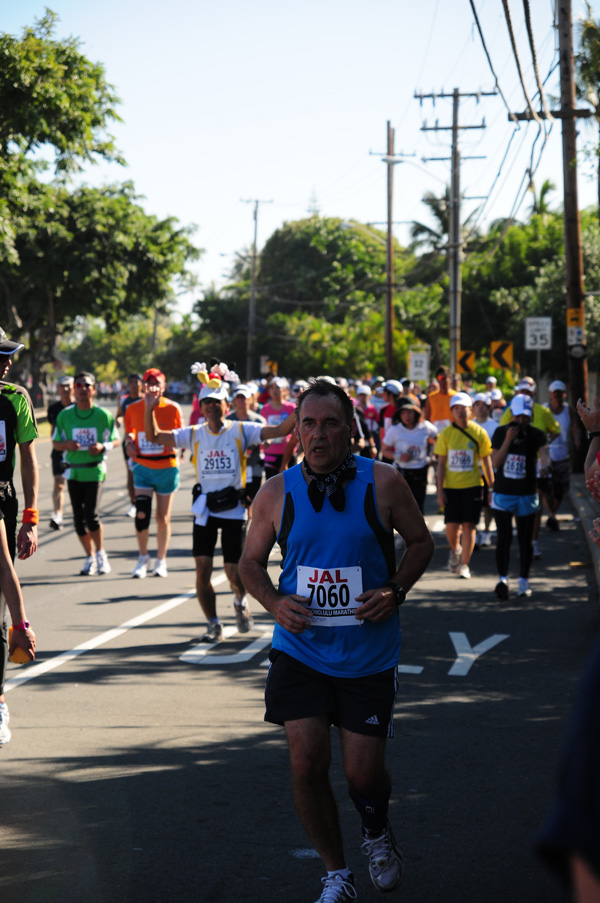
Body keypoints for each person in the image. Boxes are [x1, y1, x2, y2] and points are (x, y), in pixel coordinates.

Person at [238, 379, 433, 903]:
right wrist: (275, 603)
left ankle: (375, 826)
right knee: (306, 764)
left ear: (351, 429)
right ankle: (336, 874)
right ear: (296, 431)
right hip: (300, 649)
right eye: (308, 423)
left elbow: (421, 543)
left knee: (362, 775)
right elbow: (249, 563)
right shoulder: (276, 492)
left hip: (368, 653)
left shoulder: (384, 482)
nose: (318, 434)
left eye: (329, 424)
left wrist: (394, 590)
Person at [144, 372, 296, 643]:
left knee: (233, 573)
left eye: (217, 402)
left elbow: (281, 431)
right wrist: (149, 408)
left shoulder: (242, 429)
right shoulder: (193, 434)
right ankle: (213, 623)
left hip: (234, 510)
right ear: (201, 407)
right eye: (207, 402)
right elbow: (154, 436)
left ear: (227, 405)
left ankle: (239, 600)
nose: (212, 406)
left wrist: (301, 406)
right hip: (205, 510)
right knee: (202, 569)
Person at [0, 328, 39, 747]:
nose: (8, 362)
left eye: (8, 355)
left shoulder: (15, 398)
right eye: (0, 356)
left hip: (3, 501)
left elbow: (28, 458)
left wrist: (30, 517)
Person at [52, 372, 119, 576]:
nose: (82, 389)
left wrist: (102, 446)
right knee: (78, 521)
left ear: (94, 389)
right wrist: (67, 444)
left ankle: (101, 553)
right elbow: (56, 443)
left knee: (91, 516)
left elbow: (115, 440)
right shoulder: (65, 415)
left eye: (86, 385)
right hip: (74, 472)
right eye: (78, 385)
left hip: (94, 470)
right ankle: (90, 557)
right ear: (74, 389)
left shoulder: (102, 415)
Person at [124, 368, 183, 579]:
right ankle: (142, 558)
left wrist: (174, 445)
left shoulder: (173, 408)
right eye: (149, 383)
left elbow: (180, 436)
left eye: (156, 383)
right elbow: (129, 433)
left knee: (162, 517)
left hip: (166, 467)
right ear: (143, 386)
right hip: (143, 467)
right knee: (142, 514)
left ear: (163, 386)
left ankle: (161, 560)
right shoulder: (132, 408)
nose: (152, 387)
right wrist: (129, 443)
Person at [490, 395, 549, 600]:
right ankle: (503, 579)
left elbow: (545, 454)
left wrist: (546, 466)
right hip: (503, 493)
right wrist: (508, 440)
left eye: (525, 417)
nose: (521, 421)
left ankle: (524, 580)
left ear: (531, 416)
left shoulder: (536, 434)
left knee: (525, 540)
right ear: (511, 415)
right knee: (504, 538)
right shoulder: (500, 432)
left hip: (526, 493)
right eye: (518, 416)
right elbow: (496, 463)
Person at [434, 392, 494, 579]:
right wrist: (439, 490)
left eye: (464, 408)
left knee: (469, 525)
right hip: (451, 488)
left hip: (473, 486)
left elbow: (487, 462)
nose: (460, 412)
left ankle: (465, 564)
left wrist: (492, 488)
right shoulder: (446, 434)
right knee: (451, 526)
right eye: (456, 408)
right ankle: (455, 550)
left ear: (471, 410)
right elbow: (441, 464)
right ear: (452, 412)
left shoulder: (480, 433)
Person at [381, 401, 437, 513]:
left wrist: (433, 455)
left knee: (418, 505)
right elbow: (384, 450)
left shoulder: (425, 426)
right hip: (402, 471)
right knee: (402, 506)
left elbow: (438, 439)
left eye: (410, 412)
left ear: (416, 413)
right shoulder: (395, 429)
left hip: (420, 471)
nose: (407, 416)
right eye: (403, 413)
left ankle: (419, 524)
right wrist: (398, 456)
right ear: (399, 415)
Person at [540, 380, 579, 532]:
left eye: (560, 393)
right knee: (546, 488)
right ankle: (552, 515)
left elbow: (574, 428)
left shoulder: (569, 410)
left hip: (562, 455)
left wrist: (577, 441)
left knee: (561, 488)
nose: (557, 395)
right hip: (546, 454)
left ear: (564, 394)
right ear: (550, 394)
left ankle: (552, 513)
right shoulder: (544, 410)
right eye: (554, 393)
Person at [227, 384, 266, 502]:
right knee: (236, 498)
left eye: (244, 397)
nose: (241, 400)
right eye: (238, 397)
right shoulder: (228, 421)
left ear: (250, 399)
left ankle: (251, 513)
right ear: (234, 401)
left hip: (254, 464)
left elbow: (266, 442)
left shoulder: (258, 420)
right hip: (234, 467)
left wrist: (265, 442)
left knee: (254, 498)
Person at [47, 375, 74, 530]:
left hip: (77, 453)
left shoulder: (79, 406)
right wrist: (59, 444)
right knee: (58, 483)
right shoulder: (53, 409)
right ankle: (57, 515)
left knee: (78, 485)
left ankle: (83, 514)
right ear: (58, 388)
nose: (65, 389)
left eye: (68, 385)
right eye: (62, 386)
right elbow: (52, 432)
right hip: (59, 452)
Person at [115, 373, 144, 518]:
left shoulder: (146, 399)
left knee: (145, 472)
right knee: (131, 473)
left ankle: (145, 501)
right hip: (129, 441)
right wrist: (118, 420)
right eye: (131, 382)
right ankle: (134, 504)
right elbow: (119, 415)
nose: (134, 385)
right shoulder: (124, 401)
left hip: (145, 441)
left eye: (136, 382)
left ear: (141, 384)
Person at [472, 392, 498, 547]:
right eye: (477, 405)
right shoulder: (468, 425)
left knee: (488, 504)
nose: (480, 408)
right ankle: (474, 533)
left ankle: (487, 532)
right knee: (473, 505)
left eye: (484, 405)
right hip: (471, 472)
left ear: (489, 408)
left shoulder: (495, 426)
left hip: (489, 471)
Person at [261, 377, 296, 479]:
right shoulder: (265, 409)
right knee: (271, 484)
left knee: (289, 485)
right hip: (270, 453)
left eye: (278, 388)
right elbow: (263, 429)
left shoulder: (291, 408)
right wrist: (265, 440)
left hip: (288, 453)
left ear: (284, 390)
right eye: (272, 388)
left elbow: (296, 430)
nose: (275, 390)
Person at [423, 366, 456, 433]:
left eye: (444, 378)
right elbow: (426, 417)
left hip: (452, 434)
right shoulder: (431, 397)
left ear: (450, 379)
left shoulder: (456, 396)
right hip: (436, 434)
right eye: (440, 378)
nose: (442, 381)